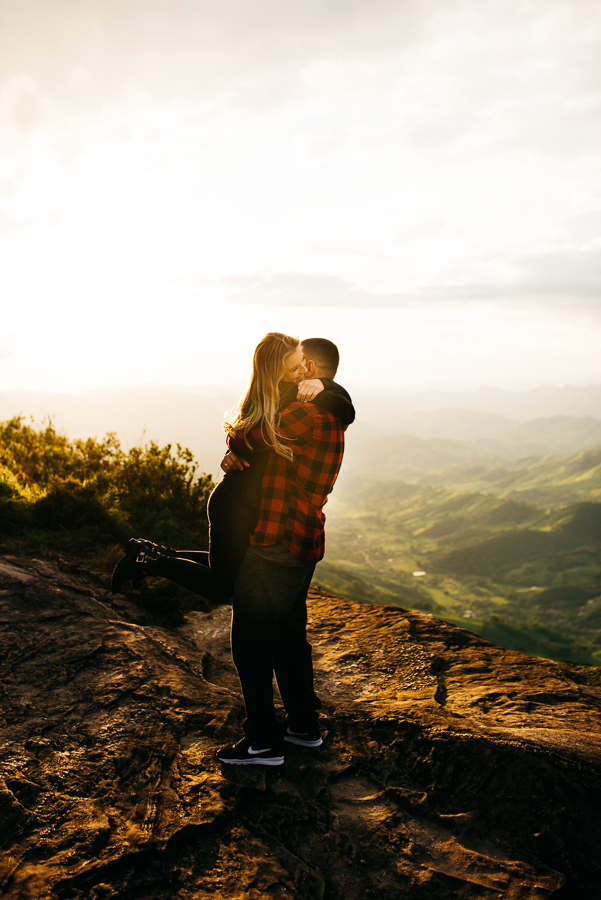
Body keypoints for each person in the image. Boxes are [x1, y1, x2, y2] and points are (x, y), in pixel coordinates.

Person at [110, 335, 354, 607]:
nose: (302, 372)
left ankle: (154, 555)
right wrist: (235, 448)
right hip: (236, 502)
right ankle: (148, 561)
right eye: (295, 367)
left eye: (304, 365)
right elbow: (243, 436)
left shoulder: (289, 393)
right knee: (221, 586)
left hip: (246, 502)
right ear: (277, 372)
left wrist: (324, 385)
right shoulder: (283, 395)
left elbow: (346, 407)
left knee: (232, 568)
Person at [216, 338, 348, 767]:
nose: (297, 371)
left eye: (302, 365)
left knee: (250, 644)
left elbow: (250, 434)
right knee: (288, 640)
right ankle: (303, 726)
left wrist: (234, 446)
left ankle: (263, 743)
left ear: (313, 370)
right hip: (302, 542)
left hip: (277, 542)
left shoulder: (307, 412)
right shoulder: (326, 410)